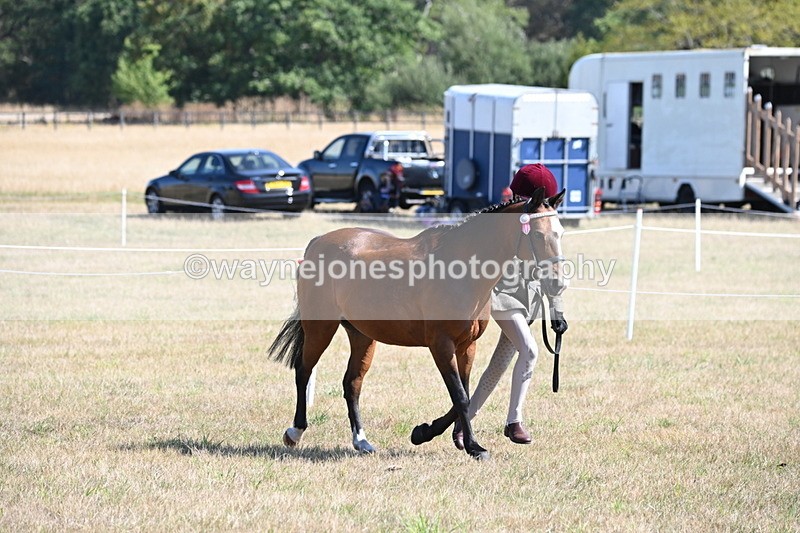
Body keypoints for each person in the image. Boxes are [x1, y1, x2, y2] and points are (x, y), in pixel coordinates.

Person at [453, 163, 568, 448]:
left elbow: (553, 268)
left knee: (498, 366)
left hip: (527, 301)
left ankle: (463, 422)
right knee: (529, 350)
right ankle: (514, 421)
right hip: (502, 295)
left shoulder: (543, 222)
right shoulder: (506, 223)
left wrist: (557, 309)